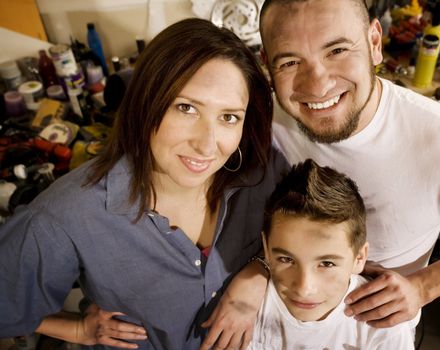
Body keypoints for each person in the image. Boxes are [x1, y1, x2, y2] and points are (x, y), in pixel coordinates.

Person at [0, 18, 289, 350]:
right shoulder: (66, 216)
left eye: (229, 117)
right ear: (146, 103)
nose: (208, 145)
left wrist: (259, 270)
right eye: (186, 108)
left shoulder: (263, 173)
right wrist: (78, 330)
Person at [259, 0, 440, 330]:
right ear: (266, 65)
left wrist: (424, 286)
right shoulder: (258, 120)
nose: (317, 84)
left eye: (337, 50)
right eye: (290, 62)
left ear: (374, 43)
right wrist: (253, 272)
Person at [249, 159, 414, 349]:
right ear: (266, 248)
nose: (304, 288)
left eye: (327, 263)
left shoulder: (384, 325)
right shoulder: (247, 308)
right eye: (286, 259)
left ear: (359, 257)